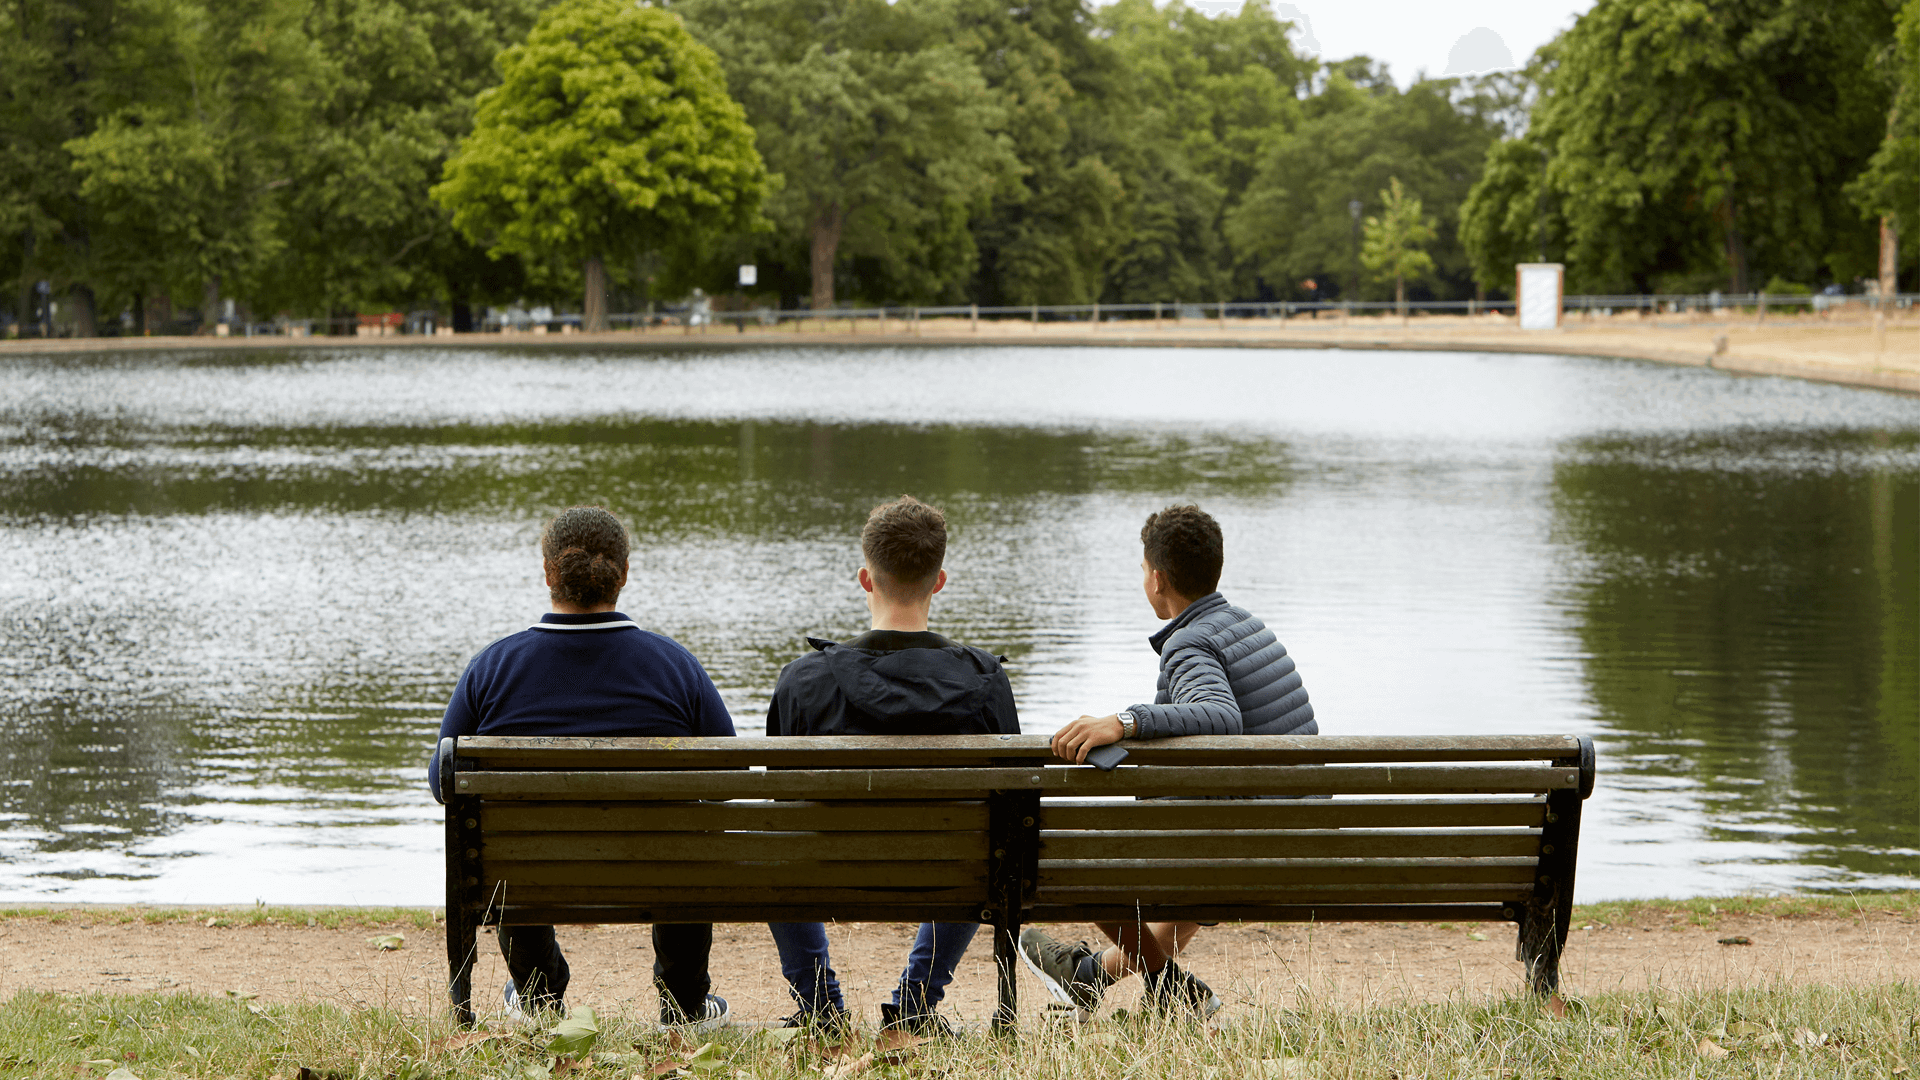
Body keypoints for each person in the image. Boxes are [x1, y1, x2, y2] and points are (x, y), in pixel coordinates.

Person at [428, 506, 735, 1032]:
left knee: (504, 846)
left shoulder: (494, 668)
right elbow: (726, 776)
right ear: (625, 572)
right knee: (687, 837)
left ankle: (538, 995)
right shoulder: (675, 666)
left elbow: (443, 782)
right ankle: (684, 1004)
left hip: (532, 871)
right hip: (656, 868)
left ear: (548, 573)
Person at [1019, 503, 1315, 1020]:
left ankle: (1168, 988)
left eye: (1141, 572)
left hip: (1247, 849)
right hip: (1297, 838)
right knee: (1188, 853)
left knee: (1074, 856)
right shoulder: (1247, 627)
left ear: (1157, 579)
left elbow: (1221, 716)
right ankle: (1091, 977)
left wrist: (1125, 722)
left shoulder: (1189, 643)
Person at [764, 495, 1020, 1036]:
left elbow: (780, 801)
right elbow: (1009, 795)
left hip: (825, 867)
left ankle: (820, 1007)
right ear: (940, 581)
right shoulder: (985, 681)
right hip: (951, 870)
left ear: (865, 578)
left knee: (775, 842)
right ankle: (916, 1001)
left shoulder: (802, 681)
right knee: (988, 844)